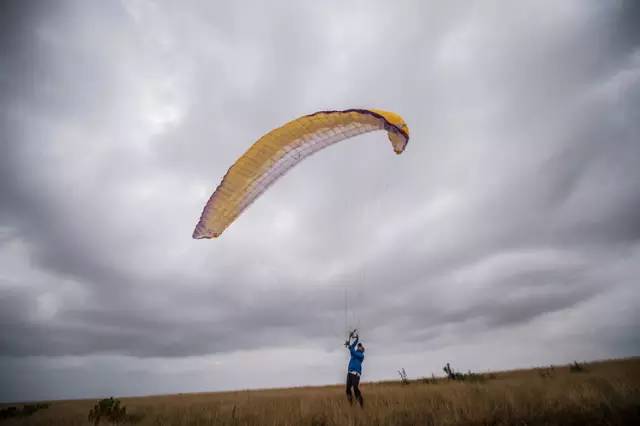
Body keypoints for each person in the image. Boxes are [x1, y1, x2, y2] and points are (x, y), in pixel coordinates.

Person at [345, 331, 365, 407]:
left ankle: (361, 404)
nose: (359, 346)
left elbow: (352, 350)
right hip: (349, 373)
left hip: (356, 374)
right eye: (358, 346)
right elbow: (352, 348)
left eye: (360, 346)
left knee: (355, 388)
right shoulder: (354, 353)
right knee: (347, 389)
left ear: (362, 349)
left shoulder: (361, 355)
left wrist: (349, 345)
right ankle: (351, 404)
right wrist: (355, 339)